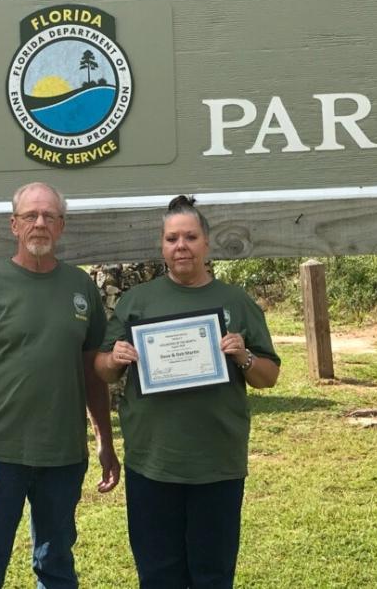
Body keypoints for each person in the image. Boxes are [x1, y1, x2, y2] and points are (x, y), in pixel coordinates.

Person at [0, 181, 120, 589]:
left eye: (49, 216)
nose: (40, 223)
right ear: (14, 225)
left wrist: (104, 439)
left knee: (56, 564)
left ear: (61, 226)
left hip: (62, 455)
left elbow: (92, 372)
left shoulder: (80, 288)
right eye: (30, 216)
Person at [95, 195, 280, 589]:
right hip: (153, 462)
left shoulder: (235, 302)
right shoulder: (137, 302)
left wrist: (244, 356)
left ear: (206, 244)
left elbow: (269, 376)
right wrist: (115, 358)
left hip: (217, 462)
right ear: (162, 246)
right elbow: (102, 368)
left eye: (190, 237)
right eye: (172, 238)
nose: (181, 246)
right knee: (159, 575)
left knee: (212, 575)